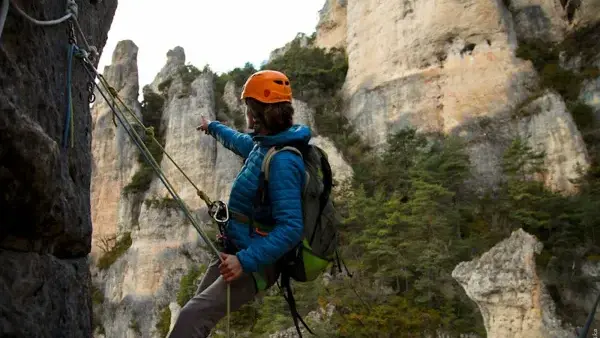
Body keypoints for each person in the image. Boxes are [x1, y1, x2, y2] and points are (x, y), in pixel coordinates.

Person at [168, 70, 310, 337]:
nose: (246, 114)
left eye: (248, 108)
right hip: (237, 249)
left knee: (191, 316)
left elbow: (291, 228)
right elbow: (238, 141)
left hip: (254, 263)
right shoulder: (265, 145)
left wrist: (243, 261)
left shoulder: (283, 160)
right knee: (194, 316)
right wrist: (212, 127)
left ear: (258, 112)